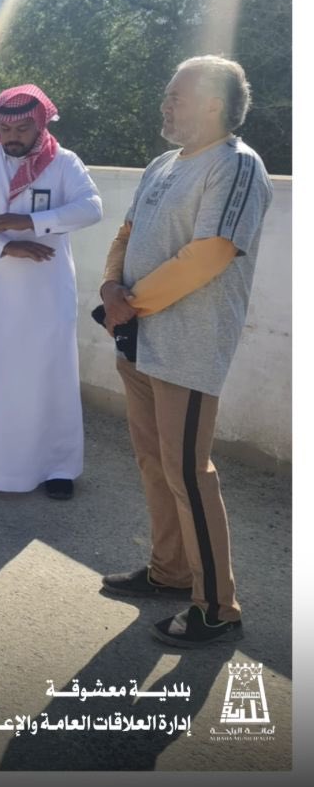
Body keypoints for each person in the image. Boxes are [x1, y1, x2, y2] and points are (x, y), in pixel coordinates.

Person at [98, 56, 272, 647]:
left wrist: (131, 301)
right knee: (154, 464)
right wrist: (108, 287)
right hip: (140, 342)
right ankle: (171, 571)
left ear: (215, 104)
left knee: (189, 474)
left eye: (176, 95)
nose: (165, 104)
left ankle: (217, 606)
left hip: (188, 349)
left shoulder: (236, 165)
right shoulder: (163, 164)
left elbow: (213, 252)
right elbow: (125, 233)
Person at [0, 85, 102, 498]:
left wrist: (32, 223)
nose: (13, 135)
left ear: (40, 124)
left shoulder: (64, 163)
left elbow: (91, 207)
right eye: (5, 127)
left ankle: (58, 468)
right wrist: (3, 247)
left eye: (22, 127)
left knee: (49, 377)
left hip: (46, 293)